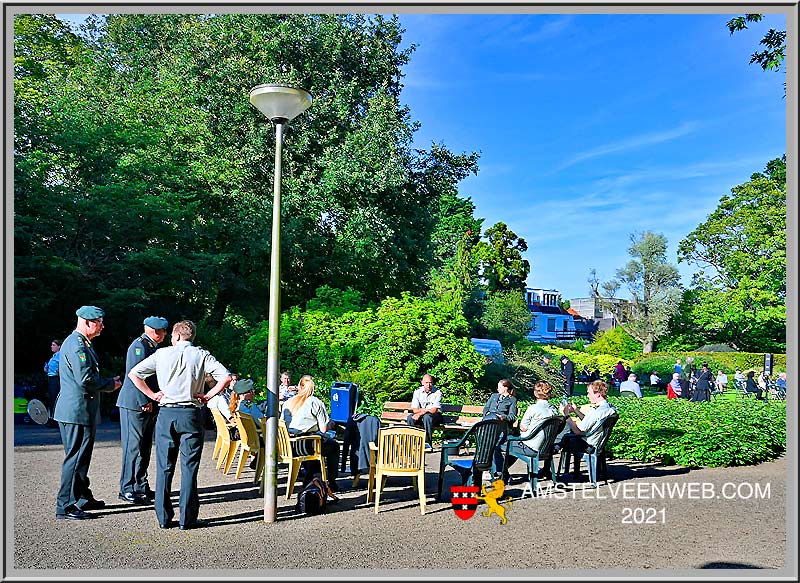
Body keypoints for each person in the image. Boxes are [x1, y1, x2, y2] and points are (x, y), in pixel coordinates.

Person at [128, 320, 231, 530]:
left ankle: (164, 518)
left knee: (164, 467)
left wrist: (153, 395)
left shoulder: (162, 354)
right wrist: (207, 396)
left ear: (175, 336)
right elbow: (226, 377)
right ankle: (188, 519)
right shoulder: (202, 355)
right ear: (192, 338)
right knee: (189, 467)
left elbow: (134, 374)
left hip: (166, 413)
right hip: (191, 414)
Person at [54, 306, 122, 521]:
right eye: (99, 322)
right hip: (77, 411)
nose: (103, 326)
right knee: (75, 458)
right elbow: (86, 380)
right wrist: (110, 384)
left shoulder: (81, 343)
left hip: (78, 410)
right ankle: (65, 506)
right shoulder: (77, 346)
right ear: (87, 322)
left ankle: (82, 496)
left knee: (80, 457)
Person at [116, 316, 169, 505]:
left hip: (146, 403)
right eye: (163, 331)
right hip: (135, 404)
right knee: (133, 447)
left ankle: (140, 484)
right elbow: (135, 375)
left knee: (144, 447)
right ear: (155, 331)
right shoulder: (139, 346)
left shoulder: (151, 346)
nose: (165, 334)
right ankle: (127, 487)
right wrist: (145, 400)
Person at [283, 375, 341, 491]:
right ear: (313, 388)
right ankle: (331, 480)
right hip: (306, 445)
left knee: (316, 445)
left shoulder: (288, 402)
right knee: (333, 446)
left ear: (299, 386)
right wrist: (332, 424)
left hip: (290, 445)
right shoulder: (315, 402)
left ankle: (312, 479)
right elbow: (323, 429)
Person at [559, 380, 617, 480]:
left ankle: (561, 472)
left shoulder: (596, 411)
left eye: (589, 393)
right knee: (566, 433)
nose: (587, 396)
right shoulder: (609, 408)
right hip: (599, 443)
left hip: (587, 444)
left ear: (598, 394)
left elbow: (578, 431)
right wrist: (576, 411)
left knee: (564, 436)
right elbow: (590, 422)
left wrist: (566, 415)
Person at [505, 380, 559, 483]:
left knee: (500, 445)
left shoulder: (533, 408)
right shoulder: (554, 409)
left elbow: (523, 427)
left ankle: (500, 473)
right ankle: (503, 473)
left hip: (530, 446)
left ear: (536, 393)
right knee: (512, 446)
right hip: (546, 447)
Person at [482, 378, 519, 479]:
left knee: (493, 445)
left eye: (500, 387)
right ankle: (498, 471)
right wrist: (487, 413)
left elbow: (512, 417)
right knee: (489, 444)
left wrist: (503, 417)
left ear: (506, 388)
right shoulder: (494, 396)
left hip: (502, 427)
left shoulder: (512, 400)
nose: (497, 389)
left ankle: (496, 470)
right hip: (489, 424)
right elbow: (485, 408)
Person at [406, 373, 443, 450]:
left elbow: (434, 410)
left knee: (427, 417)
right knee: (410, 418)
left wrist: (421, 412)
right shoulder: (417, 392)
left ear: (432, 383)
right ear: (422, 382)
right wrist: (419, 413)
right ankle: (412, 443)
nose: (428, 385)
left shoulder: (437, 392)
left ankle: (427, 444)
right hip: (421, 415)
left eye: (430, 382)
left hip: (435, 416)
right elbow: (414, 409)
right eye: (426, 382)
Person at [43, 339, 62, 424]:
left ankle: (56, 420)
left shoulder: (60, 355)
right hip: (50, 378)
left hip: (56, 379)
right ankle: (52, 418)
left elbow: (63, 366)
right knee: (51, 399)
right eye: (52, 345)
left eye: (54, 345)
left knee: (55, 399)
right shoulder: (53, 357)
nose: (52, 346)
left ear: (59, 346)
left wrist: (60, 372)